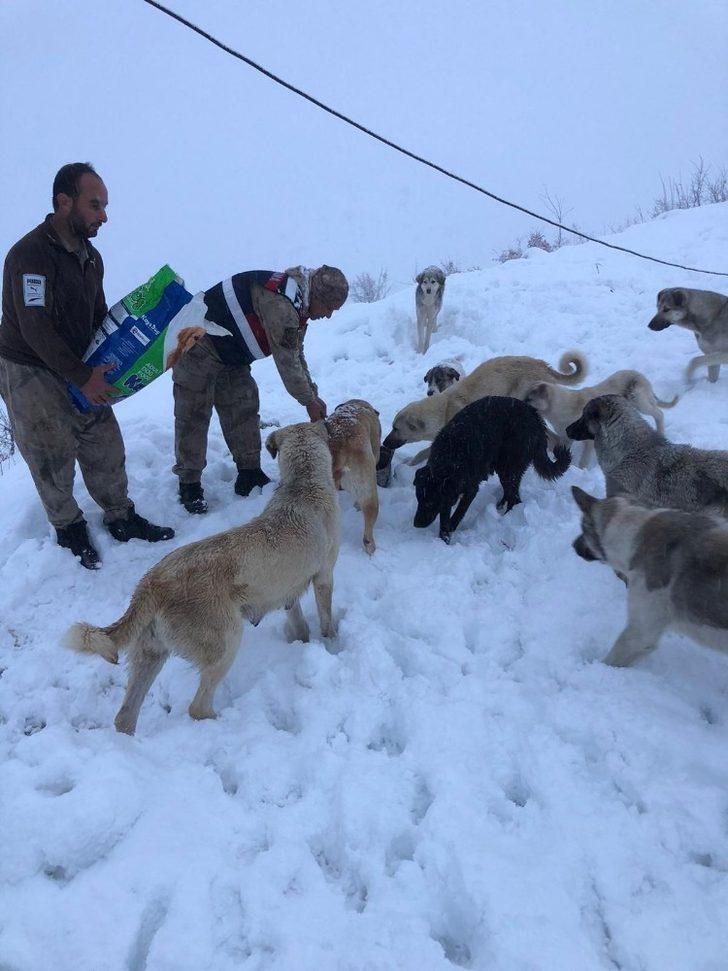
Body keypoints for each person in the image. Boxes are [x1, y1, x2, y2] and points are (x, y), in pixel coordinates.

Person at [0, 162, 175, 569]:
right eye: (95, 205)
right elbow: (34, 326)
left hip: (80, 361)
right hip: (28, 366)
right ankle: (69, 528)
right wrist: (82, 377)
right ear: (64, 202)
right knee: (49, 449)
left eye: (105, 206)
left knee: (104, 441)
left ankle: (120, 516)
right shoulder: (30, 254)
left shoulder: (91, 258)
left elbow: (98, 315)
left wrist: (137, 344)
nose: (104, 216)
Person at [172, 264, 349, 513]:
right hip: (198, 345)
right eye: (329, 307)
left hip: (232, 355)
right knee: (193, 415)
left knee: (243, 408)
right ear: (318, 296)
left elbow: (296, 352)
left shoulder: (299, 303)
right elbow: (287, 363)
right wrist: (308, 401)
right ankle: (189, 484)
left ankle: (249, 473)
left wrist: (313, 395)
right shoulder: (282, 305)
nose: (328, 315)